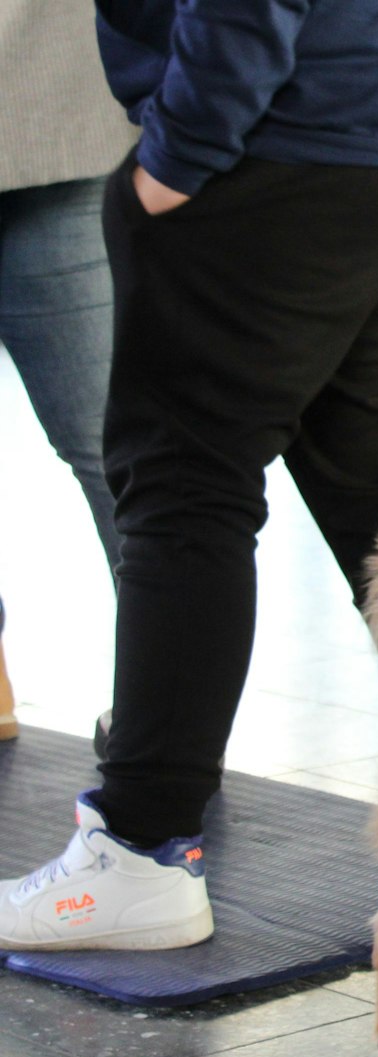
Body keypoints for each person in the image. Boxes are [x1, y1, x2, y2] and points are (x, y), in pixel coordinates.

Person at [0, 0, 378, 953]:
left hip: (278, 148)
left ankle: (140, 851)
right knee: (370, 466)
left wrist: (174, 162)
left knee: (185, 485)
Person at [0, 0, 135, 744]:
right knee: (120, 456)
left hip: (64, 122)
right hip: (67, 110)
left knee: (123, 459)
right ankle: (164, 717)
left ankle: (162, 716)